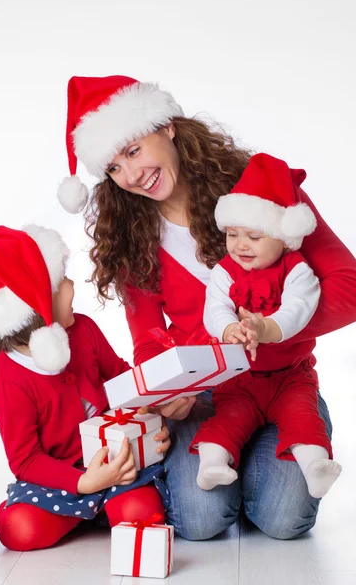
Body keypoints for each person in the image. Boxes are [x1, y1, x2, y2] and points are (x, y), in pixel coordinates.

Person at [57, 75, 356, 540]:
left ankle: (260, 459)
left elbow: (348, 287)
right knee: (199, 523)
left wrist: (269, 329)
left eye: (134, 151)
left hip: (285, 381)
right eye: (114, 167)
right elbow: (147, 340)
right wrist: (171, 391)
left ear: (167, 126)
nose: (132, 176)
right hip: (208, 396)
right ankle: (229, 469)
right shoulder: (132, 234)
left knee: (282, 520)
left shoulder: (259, 187)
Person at [0, 224, 170, 551]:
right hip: (60, 481)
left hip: (114, 461)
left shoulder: (84, 330)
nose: (72, 285)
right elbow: (26, 460)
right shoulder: (7, 376)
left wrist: (150, 417)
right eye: (61, 283)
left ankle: (103, 510)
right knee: (18, 529)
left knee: (143, 512)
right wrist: (84, 482)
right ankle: (83, 512)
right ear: (35, 310)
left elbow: (123, 380)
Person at [191, 152, 341, 498]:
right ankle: (213, 463)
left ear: (284, 237)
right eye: (232, 234)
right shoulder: (225, 270)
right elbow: (214, 308)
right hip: (240, 375)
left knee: (302, 417)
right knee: (228, 417)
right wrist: (230, 328)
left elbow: (298, 310)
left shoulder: (297, 269)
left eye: (255, 237)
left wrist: (264, 329)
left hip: (291, 375)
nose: (241, 244)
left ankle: (316, 468)